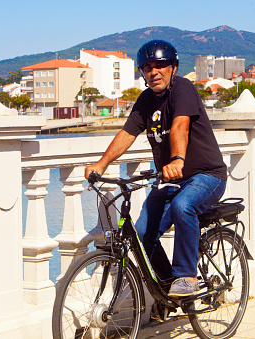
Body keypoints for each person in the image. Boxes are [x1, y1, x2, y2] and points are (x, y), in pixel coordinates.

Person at [85, 40, 227, 297]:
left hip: (206, 175)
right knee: (140, 233)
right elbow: (127, 133)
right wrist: (101, 164)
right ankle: (166, 289)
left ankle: (187, 276)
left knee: (182, 206)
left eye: (160, 65)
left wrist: (177, 160)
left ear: (173, 67)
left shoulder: (183, 89)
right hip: (169, 179)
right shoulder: (146, 99)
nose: (154, 72)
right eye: (148, 67)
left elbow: (180, 126)